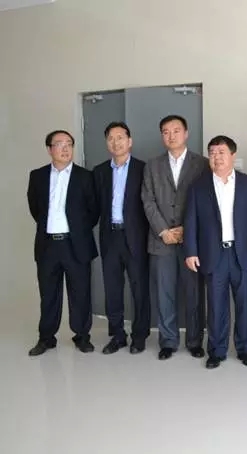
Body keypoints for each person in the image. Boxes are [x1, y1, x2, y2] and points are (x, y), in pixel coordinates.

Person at [184, 135, 247, 369]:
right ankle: (217, 351)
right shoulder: (198, 186)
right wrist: (191, 251)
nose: (216, 157)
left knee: (246, 304)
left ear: (233, 156)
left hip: (242, 253)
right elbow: (191, 221)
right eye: (212, 153)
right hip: (213, 254)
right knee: (216, 306)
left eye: (221, 152)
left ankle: (246, 349)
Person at [142, 115, 208, 360]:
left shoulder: (202, 164)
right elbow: (147, 201)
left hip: (192, 241)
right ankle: (168, 341)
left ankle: (195, 341)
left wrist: (186, 230)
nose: (171, 135)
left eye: (176, 130)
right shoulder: (152, 165)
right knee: (165, 293)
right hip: (161, 241)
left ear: (186, 133)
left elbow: (207, 201)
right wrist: (163, 231)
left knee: (194, 293)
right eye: (166, 132)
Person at [27, 130, 98, 356]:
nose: (65, 148)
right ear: (50, 149)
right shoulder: (37, 176)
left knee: (80, 293)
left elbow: (93, 212)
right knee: (49, 294)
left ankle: (82, 336)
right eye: (59, 144)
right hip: (48, 245)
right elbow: (36, 209)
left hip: (75, 244)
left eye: (69, 144)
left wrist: (76, 231)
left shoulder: (85, 177)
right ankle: (46, 338)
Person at [93, 121, 150, 355]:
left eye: (120, 137)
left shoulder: (143, 169)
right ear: (107, 143)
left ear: (129, 141)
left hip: (136, 237)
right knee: (113, 289)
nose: (116, 142)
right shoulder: (99, 172)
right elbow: (93, 207)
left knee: (140, 289)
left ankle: (139, 336)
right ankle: (117, 335)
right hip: (110, 237)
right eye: (111, 138)